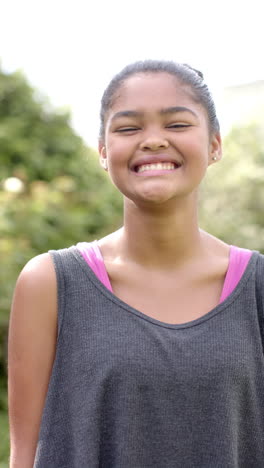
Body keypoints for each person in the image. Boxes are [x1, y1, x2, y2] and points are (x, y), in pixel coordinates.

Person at [8, 60, 264, 468]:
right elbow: (24, 455)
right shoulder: (50, 283)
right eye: (129, 128)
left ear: (215, 144)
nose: (154, 141)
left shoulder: (258, 288)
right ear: (104, 152)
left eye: (177, 124)